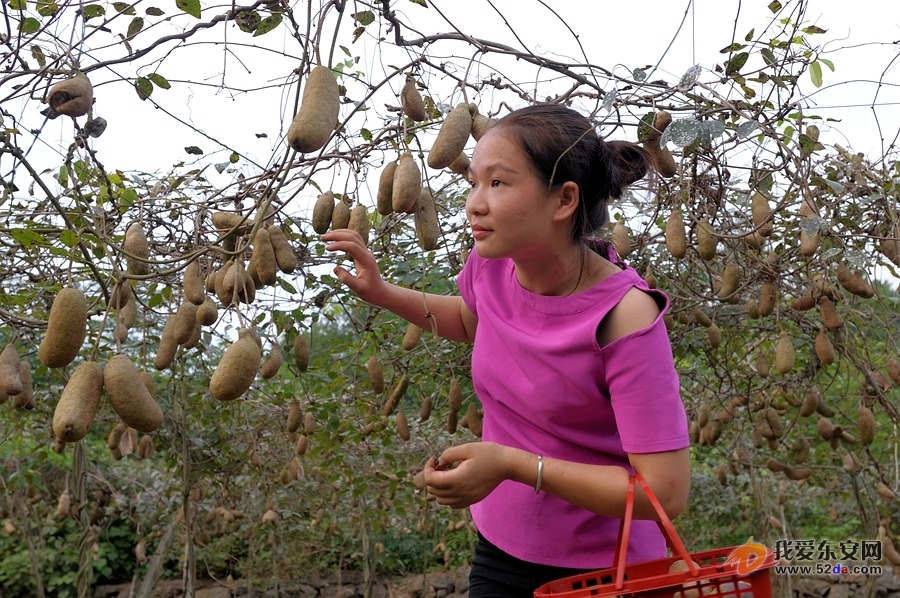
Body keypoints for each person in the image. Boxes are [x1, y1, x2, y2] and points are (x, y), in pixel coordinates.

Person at [323, 103, 690, 598]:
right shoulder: (490, 266)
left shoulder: (625, 317)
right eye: (474, 183)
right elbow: (473, 322)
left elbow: (664, 492)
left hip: (610, 571)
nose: (474, 203)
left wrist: (514, 465)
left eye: (497, 183)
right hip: (503, 548)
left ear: (563, 200)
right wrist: (382, 292)